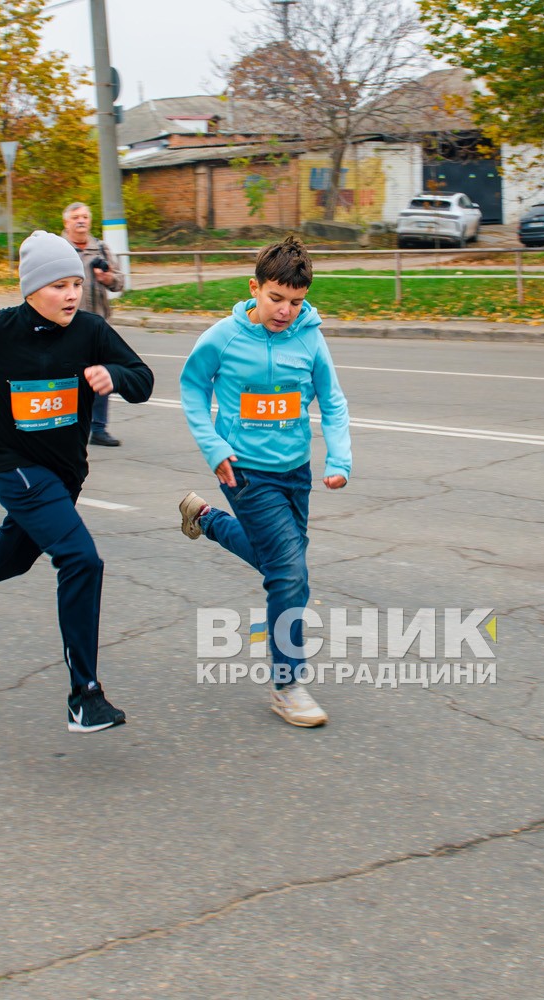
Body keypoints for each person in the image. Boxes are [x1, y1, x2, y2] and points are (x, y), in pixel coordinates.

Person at [0, 230, 154, 731]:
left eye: (75, 284)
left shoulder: (90, 331)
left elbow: (143, 379)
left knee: (12, 558)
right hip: (13, 467)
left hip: (65, 476)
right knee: (81, 559)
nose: (71, 294)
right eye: (59, 285)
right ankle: (84, 695)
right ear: (30, 290)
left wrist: (115, 376)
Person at [178, 235, 352, 727]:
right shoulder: (222, 338)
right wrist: (214, 448)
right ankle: (288, 684)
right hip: (244, 472)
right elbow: (191, 388)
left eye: (296, 302)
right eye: (276, 298)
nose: (285, 310)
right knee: (290, 575)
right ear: (254, 288)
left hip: (294, 472)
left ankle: (206, 519)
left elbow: (332, 401)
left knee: (282, 562)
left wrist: (338, 459)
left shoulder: (310, 337)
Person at [61, 201, 126, 447]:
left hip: (98, 326)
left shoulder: (100, 248)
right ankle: (66, 425)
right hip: (65, 326)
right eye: (76, 217)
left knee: (101, 376)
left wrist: (108, 277)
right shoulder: (57, 249)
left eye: (85, 216)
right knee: (68, 378)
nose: (81, 220)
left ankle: (98, 428)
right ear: (66, 222)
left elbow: (119, 282)